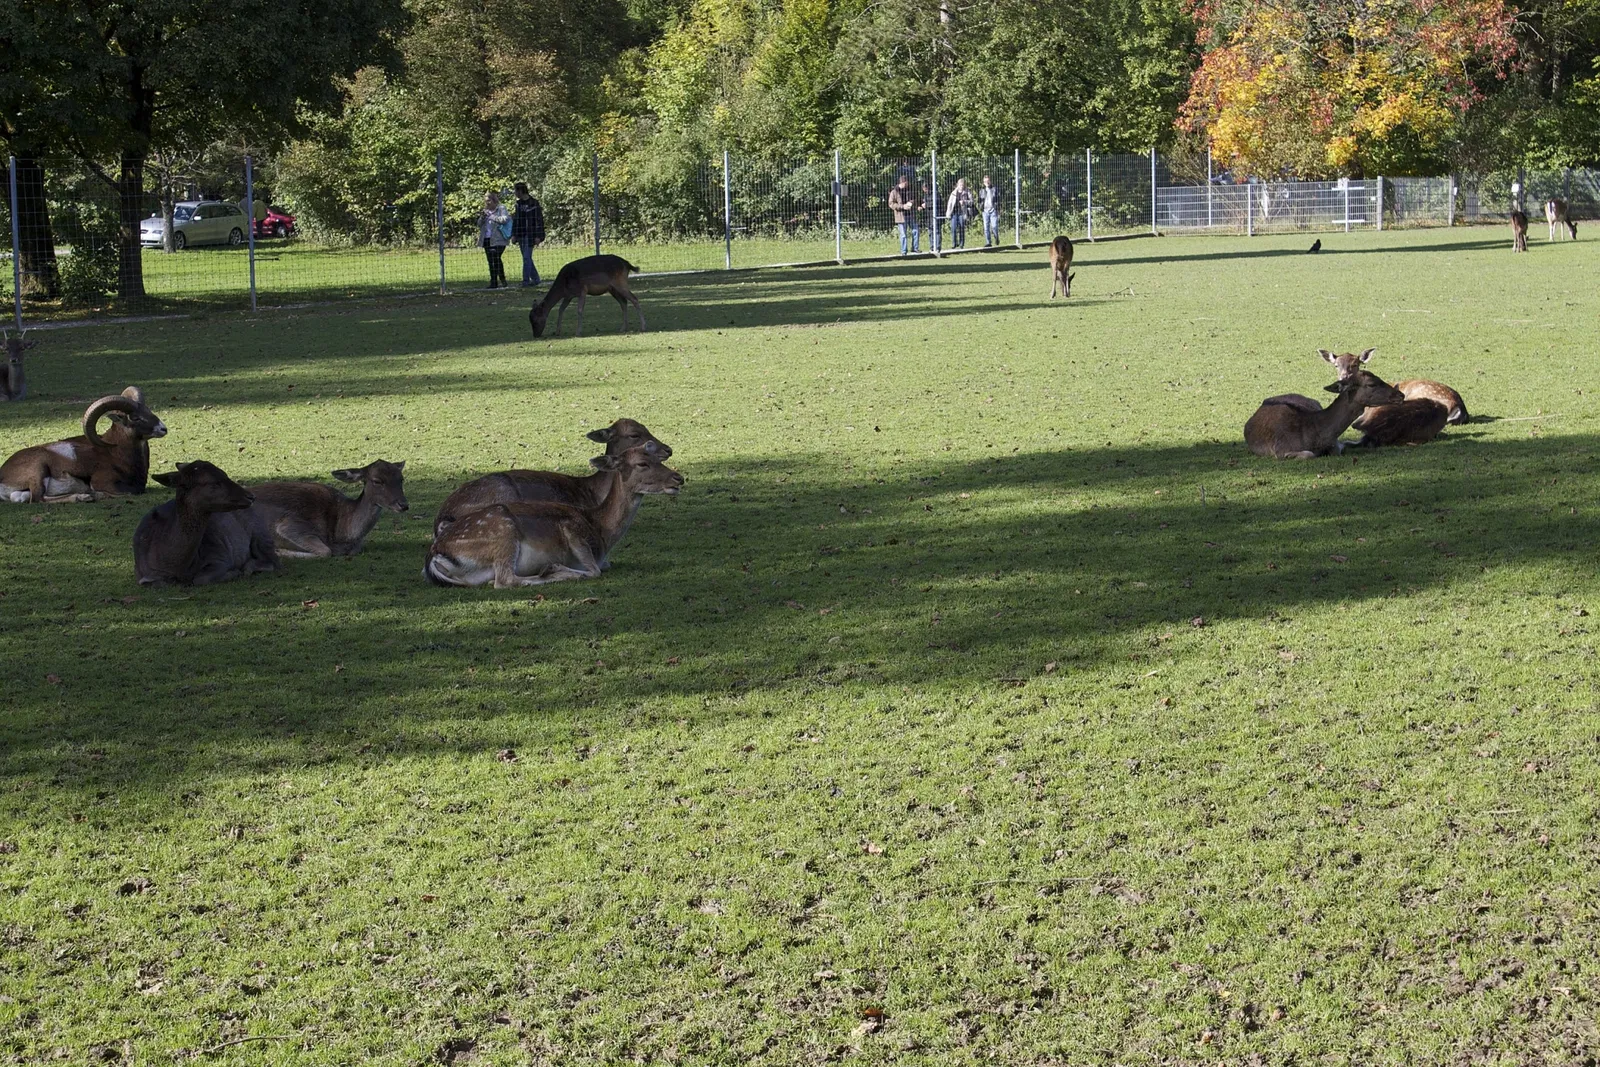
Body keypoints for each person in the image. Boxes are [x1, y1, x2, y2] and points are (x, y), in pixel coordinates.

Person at [511, 181, 545, 287]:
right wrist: (514, 234)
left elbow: (539, 221)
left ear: (521, 191)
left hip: (530, 236)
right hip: (521, 235)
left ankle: (525, 281)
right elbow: (516, 220)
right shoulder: (518, 204)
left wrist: (539, 236)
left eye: (516, 190)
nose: (515, 193)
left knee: (526, 258)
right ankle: (536, 279)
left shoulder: (534, 203)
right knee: (527, 258)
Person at [480, 191, 511, 289]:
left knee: (496, 258)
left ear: (494, 200)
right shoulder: (485, 211)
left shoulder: (501, 208)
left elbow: (504, 219)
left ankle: (502, 279)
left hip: (499, 239)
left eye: (489, 201)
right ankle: (494, 282)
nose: (487, 203)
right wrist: (482, 218)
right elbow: (479, 224)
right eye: (485, 201)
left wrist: (492, 217)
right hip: (487, 239)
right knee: (491, 260)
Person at [889, 174, 923, 255]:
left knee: (916, 230)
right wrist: (902, 207)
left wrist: (913, 204)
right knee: (903, 234)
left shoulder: (910, 190)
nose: (908, 184)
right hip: (901, 216)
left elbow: (915, 199)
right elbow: (891, 204)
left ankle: (915, 248)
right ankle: (904, 251)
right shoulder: (894, 192)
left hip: (911, 214)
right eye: (906, 183)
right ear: (902, 183)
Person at [947, 178, 974, 250]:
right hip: (954, 213)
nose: (961, 186)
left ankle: (961, 244)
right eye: (960, 185)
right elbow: (949, 203)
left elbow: (971, 202)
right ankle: (954, 243)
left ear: (964, 185)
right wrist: (948, 213)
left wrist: (964, 201)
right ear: (957, 185)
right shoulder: (953, 193)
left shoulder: (967, 192)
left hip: (962, 213)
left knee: (961, 227)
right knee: (953, 228)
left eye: (962, 185)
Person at [979, 175, 1001, 247]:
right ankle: (988, 242)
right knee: (986, 227)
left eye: (988, 181)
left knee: (994, 226)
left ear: (990, 181)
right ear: (983, 182)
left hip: (993, 210)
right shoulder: (982, 190)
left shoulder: (994, 189)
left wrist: (997, 207)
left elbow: (998, 199)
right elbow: (979, 200)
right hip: (985, 211)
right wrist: (980, 206)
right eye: (985, 181)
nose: (987, 183)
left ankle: (996, 237)